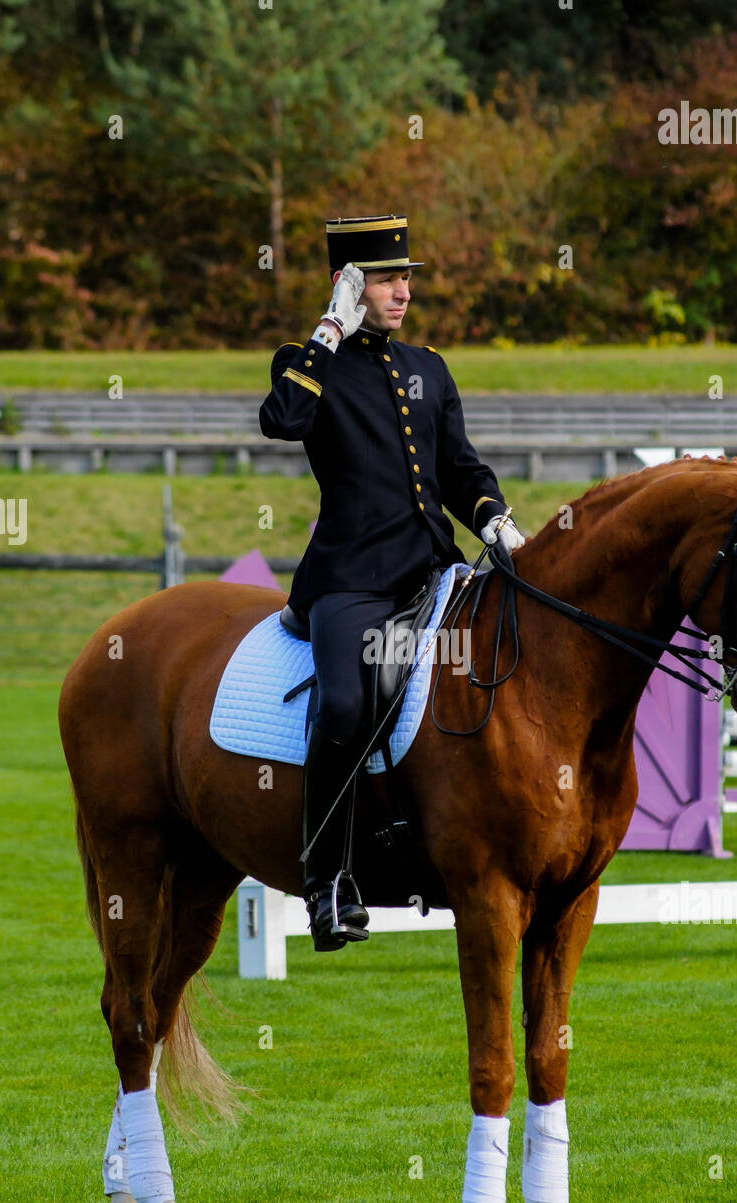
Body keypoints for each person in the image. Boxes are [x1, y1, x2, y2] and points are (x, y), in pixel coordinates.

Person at [259, 213, 525, 952]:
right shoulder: (309, 361)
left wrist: (496, 520)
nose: (402, 290)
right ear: (349, 284)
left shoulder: (428, 367)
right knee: (345, 701)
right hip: (352, 578)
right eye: (383, 278)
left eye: (405, 276)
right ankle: (325, 881)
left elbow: (457, 469)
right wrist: (327, 332)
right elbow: (281, 421)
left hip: (435, 571)